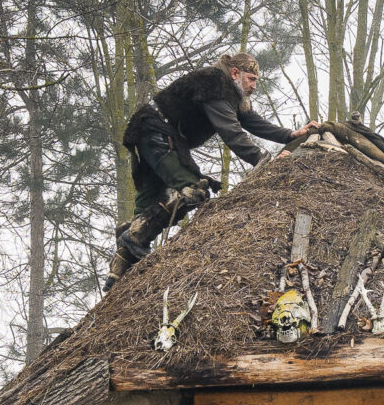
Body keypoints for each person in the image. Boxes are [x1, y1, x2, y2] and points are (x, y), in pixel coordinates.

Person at [114, 51, 295, 272]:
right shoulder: (215, 82)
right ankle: (133, 237)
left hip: (152, 134)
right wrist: (262, 159)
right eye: (251, 79)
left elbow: (251, 121)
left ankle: (120, 271)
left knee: (146, 207)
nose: (254, 86)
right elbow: (231, 131)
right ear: (235, 73)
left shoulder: (228, 93)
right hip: (157, 135)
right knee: (192, 190)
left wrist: (289, 135)